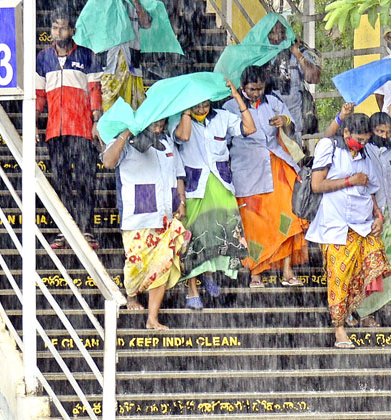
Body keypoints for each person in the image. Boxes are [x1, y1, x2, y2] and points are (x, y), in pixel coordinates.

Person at [322, 105, 391, 325]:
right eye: (378, 132)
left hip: (383, 215)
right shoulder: (358, 150)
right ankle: (359, 311)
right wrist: (341, 116)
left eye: (387, 131)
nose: (383, 136)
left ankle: (371, 309)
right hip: (353, 219)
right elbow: (327, 140)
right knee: (361, 268)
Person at [306, 111, 391, 348]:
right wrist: (348, 181)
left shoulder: (367, 155)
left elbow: (373, 189)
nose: (362, 144)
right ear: (346, 133)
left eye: (366, 140)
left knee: (373, 263)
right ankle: (339, 328)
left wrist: (379, 216)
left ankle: (351, 307)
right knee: (339, 278)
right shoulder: (329, 148)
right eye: (358, 140)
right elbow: (316, 185)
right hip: (335, 226)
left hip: (362, 225)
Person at [101, 117, 190, 329]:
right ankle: (132, 296)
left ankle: (152, 318)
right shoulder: (128, 142)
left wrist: (182, 200)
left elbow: (178, 174)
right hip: (138, 216)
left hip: (166, 215)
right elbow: (108, 162)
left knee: (163, 264)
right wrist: (126, 133)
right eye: (154, 126)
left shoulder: (167, 142)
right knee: (136, 264)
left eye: (161, 125)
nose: (158, 129)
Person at [225, 64, 308, 289]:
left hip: (278, 166)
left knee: (288, 218)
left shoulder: (274, 103)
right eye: (252, 89)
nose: (256, 93)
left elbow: (294, 127)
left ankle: (287, 271)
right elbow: (223, 142)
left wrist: (285, 123)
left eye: (260, 89)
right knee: (254, 224)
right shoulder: (230, 108)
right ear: (242, 87)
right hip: (247, 171)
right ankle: (256, 273)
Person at [174, 79, 251, 310]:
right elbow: (184, 137)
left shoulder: (222, 117)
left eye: (205, 104)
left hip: (220, 184)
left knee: (218, 232)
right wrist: (186, 110)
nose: (201, 109)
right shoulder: (178, 119)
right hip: (194, 187)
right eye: (196, 105)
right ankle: (192, 289)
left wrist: (238, 97)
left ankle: (208, 273)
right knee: (193, 237)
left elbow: (249, 129)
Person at [34, 10, 104, 249]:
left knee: (85, 180)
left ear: (73, 31)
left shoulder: (87, 56)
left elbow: (95, 90)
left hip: (83, 130)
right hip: (55, 131)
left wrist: (96, 121)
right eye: (55, 28)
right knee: (61, 182)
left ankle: (86, 231)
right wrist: (34, 122)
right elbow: (38, 95)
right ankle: (65, 230)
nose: (58, 32)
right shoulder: (43, 58)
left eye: (63, 28)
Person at [100, 0, 154, 112]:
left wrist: (135, 2)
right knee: (109, 113)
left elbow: (147, 24)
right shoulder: (101, 5)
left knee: (133, 113)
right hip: (109, 69)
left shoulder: (133, 3)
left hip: (132, 67)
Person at [264, 18, 322, 136]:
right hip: (267, 120)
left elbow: (313, 78)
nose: (278, 37)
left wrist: (297, 54)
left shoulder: (296, 52)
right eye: (273, 33)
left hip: (294, 121)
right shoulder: (261, 53)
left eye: (281, 32)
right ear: (267, 35)